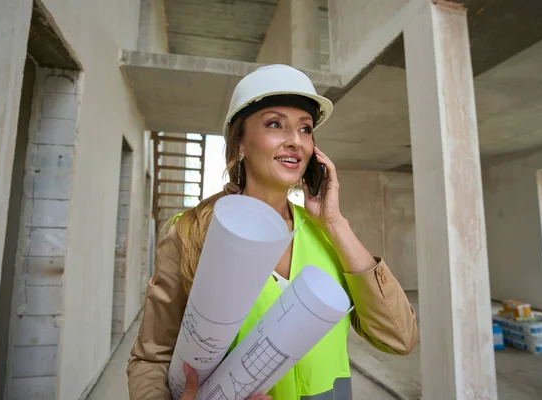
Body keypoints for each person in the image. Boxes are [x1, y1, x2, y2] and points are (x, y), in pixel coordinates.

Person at [127, 64, 418, 400]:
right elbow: (151, 357)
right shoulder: (191, 233)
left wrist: (336, 225)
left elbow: (399, 337)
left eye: (306, 129)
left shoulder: (327, 233)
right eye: (275, 124)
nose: (295, 141)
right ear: (240, 143)